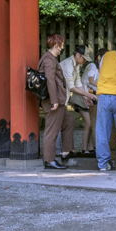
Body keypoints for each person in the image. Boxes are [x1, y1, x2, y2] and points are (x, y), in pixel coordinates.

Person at [39, 34, 70, 170]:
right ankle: (49, 160)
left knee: (69, 121)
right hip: (54, 101)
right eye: (62, 44)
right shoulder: (49, 60)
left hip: (59, 100)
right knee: (51, 131)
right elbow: (50, 80)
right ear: (56, 45)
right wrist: (54, 101)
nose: (63, 47)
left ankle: (66, 153)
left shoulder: (50, 59)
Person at [65, 46, 99, 161]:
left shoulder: (77, 66)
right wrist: (88, 95)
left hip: (80, 97)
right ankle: (83, 149)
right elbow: (72, 87)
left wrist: (86, 96)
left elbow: (78, 82)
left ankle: (87, 148)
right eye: (84, 58)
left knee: (83, 123)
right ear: (78, 55)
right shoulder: (67, 65)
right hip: (72, 99)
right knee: (88, 123)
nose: (85, 61)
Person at [95, 45, 116, 170]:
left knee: (102, 131)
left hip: (103, 96)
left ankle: (102, 164)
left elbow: (101, 71)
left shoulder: (106, 56)